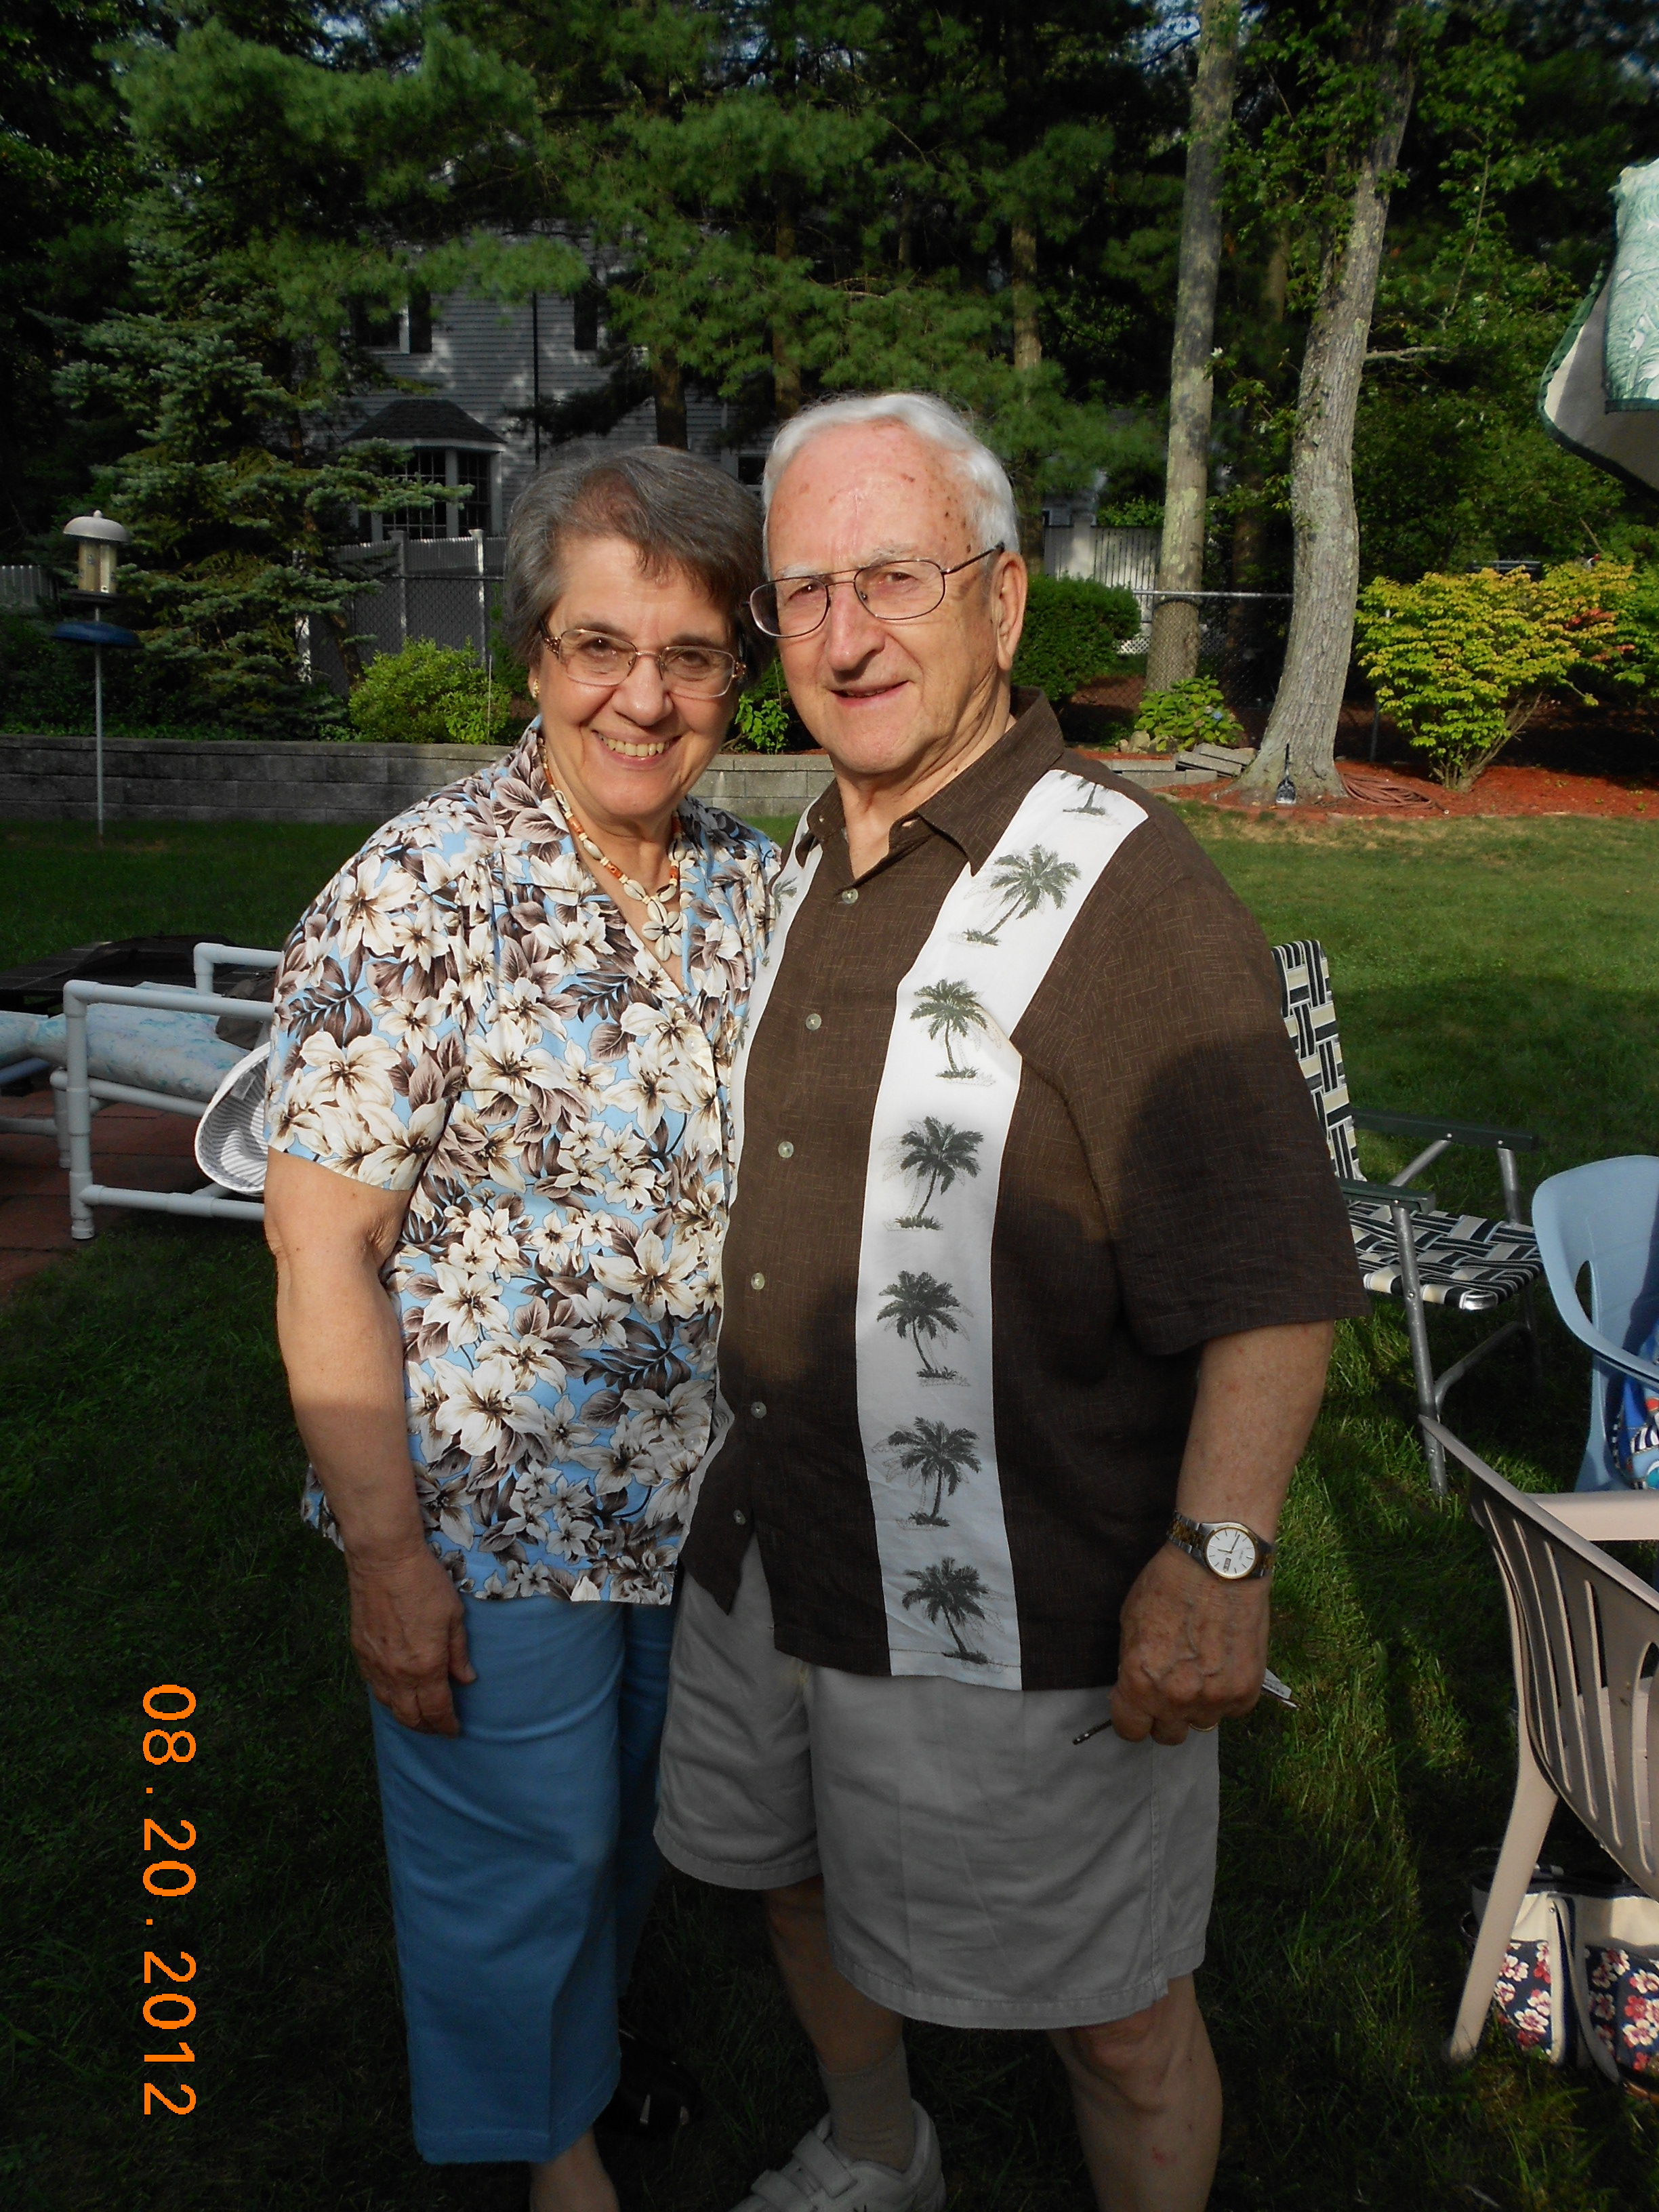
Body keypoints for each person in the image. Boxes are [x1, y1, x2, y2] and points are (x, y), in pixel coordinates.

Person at [654, 394, 1369, 2212]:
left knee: (1115, 2019)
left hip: (1013, 1588)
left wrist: (1217, 1559)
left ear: (1004, 598)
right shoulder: (817, 855)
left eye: (895, 576)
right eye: (804, 592)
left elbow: (1271, 1262)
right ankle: (877, 2147)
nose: (844, 636)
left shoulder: (1129, 895)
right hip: (779, 1543)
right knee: (789, 1881)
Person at [261, 446, 777, 2212]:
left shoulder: (745, 881)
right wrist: (386, 1556)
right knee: (517, 1855)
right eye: (599, 646)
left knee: (631, 1831)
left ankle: (580, 2063)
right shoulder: (423, 889)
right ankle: (549, 2158)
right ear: (535, 656)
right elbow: (321, 1244)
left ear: (734, 673)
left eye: (691, 655)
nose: (645, 696)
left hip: (695, 1493)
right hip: (487, 1502)